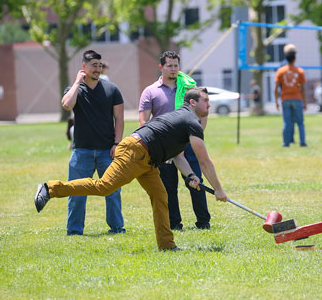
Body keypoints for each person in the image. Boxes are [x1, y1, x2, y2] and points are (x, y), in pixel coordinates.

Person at [34, 87, 228, 251]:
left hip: (148, 160)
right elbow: (205, 162)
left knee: (160, 196)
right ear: (192, 103)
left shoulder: (183, 119)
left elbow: (178, 156)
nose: (209, 105)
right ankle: (50, 188)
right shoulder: (190, 121)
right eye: (206, 101)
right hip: (135, 151)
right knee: (104, 186)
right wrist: (218, 189)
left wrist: (191, 176)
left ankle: (167, 245)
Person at [139, 51, 210, 230]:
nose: (173, 69)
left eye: (176, 65)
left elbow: (203, 112)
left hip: (188, 144)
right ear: (161, 67)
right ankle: (174, 224)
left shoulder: (189, 89)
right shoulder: (150, 91)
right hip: (165, 147)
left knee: (196, 182)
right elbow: (143, 120)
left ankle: (203, 222)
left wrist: (197, 134)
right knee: (169, 188)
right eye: (169, 65)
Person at [61, 50, 125, 235]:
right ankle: (74, 231)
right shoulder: (74, 89)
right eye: (93, 66)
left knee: (113, 191)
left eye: (99, 65)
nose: (97, 69)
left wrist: (117, 143)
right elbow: (66, 105)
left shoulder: (111, 89)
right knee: (76, 193)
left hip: (107, 150)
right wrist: (77, 82)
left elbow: (119, 119)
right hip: (82, 151)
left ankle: (117, 227)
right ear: (84, 67)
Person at [274, 44, 307, 147]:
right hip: (297, 98)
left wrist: (276, 101)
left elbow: (275, 88)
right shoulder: (300, 71)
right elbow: (303, 89)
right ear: (295, 59)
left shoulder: (280, 70)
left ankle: (286, 143)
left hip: (285, 99)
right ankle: (302, 142)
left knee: (287, 122)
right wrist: (304, 102)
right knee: (300, 123)